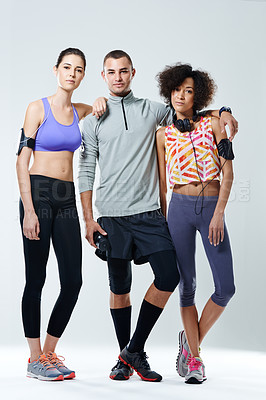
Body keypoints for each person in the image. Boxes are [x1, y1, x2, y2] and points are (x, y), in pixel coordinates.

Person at [78, 50, 238, 383]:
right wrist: (88, 218)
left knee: (169, 277)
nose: (118, 77)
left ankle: (135, 350)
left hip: (151, 213)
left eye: (124, 71)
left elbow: (191, 113)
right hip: (113, 215)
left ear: (133, 73)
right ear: (103, 75)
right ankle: (127, 357)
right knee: (120, 287)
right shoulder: (93, 120)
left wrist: (224, 111)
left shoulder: (154, 111)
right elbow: (87, 168)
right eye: (111, 72)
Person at [16, 47, 106, 381]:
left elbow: (107, 106)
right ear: (56, 70)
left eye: (79, 69)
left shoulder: (81, 111)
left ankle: (49, 353)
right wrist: (28, 209)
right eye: (67, 67)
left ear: (83, 75)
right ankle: (34, 358)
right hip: (38, 194)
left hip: (67, 197)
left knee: (72, 281)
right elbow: (20, 161)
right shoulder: (36, 108)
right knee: (36, 279)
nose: (72, 73)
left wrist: (99, 101)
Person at [156, 63, 236, 384]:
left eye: (188, 91)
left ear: (197, 95)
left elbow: (228, 172)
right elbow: (161, 184)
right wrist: (163, 220)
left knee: (225, 288)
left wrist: (218, 214)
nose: (181, 96)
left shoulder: (213, 123)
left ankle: (189, 344)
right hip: (178, 210)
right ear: (169, 91)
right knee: (186, 286)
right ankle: (196, 361)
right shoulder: (163, 134)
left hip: (210, 209)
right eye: (177, 90)